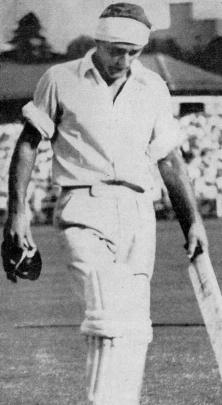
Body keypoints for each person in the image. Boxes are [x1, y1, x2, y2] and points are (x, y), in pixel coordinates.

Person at [4, 3, 208, 404]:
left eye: (133, 51)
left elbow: (169, 160)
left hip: (138, 212)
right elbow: (28, 144)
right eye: (116, 49)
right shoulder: (59, 79)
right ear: (98, 39)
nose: (124, 59)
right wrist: (17, 212)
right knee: (106, 318)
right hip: (83, 207)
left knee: (134, 328)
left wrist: (193, 223)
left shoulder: (153, 87)